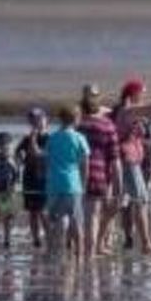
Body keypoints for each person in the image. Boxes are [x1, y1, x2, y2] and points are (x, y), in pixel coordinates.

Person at [113, 78, 151, 257]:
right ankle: (146, 244)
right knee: (140, 201)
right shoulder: (128, 110)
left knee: (122, 202)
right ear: (133, 93)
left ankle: (101, 240)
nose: (144, 95)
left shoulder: (128, 110)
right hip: (128, 160)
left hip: (135, 161)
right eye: (142, 92)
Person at [76, 85, 121, 256]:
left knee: (80, 217)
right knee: (92, 217)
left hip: (76, 177)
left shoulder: (77, 124)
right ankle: (90, 255)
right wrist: (119, 187)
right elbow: (115, 159)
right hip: (98, 177)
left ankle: (83, 254)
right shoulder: (108, 125)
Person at [43, 104, 90, 259]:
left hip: (55, 184)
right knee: (76, 220)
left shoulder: (53, 137)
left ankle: (55, 251)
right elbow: (85, 163)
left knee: (56, 219)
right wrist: (84, 184)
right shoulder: (79, 137)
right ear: (76, 119)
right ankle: (80, 253)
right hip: (73, 184)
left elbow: (47, 160)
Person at [16, 108, 51, 251]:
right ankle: (36, 240)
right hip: (29, 178)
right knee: (32, 212)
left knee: (43, 211)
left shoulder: (50, 138)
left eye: (39, 119)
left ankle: (50, 238)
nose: (36, 122)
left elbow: (40, 154)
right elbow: (17, 152)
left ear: (46, 120)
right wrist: (20, 162)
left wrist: (33, 140)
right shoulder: (27, 138)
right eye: (33, 120)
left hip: (44, 180)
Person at [0, 132, 21, 251]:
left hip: (10, 191)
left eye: (6, 145)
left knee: (8, 217)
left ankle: (7, 239)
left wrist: (15, 188)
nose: (4, 148)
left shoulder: (15, 159)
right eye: (1, 145)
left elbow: (17, 177)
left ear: (11, 145)